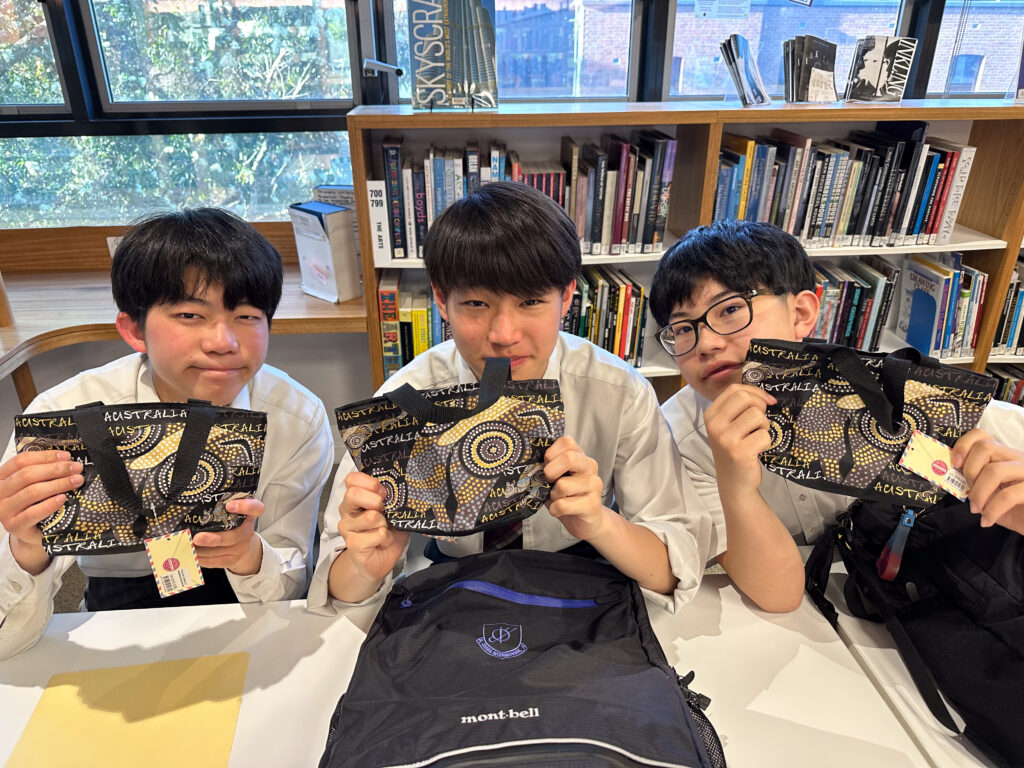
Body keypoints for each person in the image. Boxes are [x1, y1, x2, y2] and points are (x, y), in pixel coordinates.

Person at [308, 181, 711, 613]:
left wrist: (599, 522)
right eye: (477, 304)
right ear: (442, 301)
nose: (504, 336)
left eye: (532, 301)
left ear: (568, 297)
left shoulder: (619, 392)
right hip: (456, 592)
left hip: (581, 587)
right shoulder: (403, 403)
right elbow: (336, 585)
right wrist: (368, 564)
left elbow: (674, 568)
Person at [0, 208, 334, 658]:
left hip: (244, 596)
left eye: (247, 316)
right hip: (116, 594)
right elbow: (7, 641)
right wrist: (26, 549)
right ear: (134, 329)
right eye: (189, 315)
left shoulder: (295, 420)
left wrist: (249, 553)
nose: (222, 342)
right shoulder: (64, 419)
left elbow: (291, 586)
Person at [650, 219, 1024, 613]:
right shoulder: (679, 438)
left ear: (801, 313)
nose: (705, 343)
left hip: (930, 605)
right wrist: (735, 483)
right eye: (682, 330)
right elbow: (777, 596)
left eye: (729, 310)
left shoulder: (897, 393)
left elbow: (1004, 447)